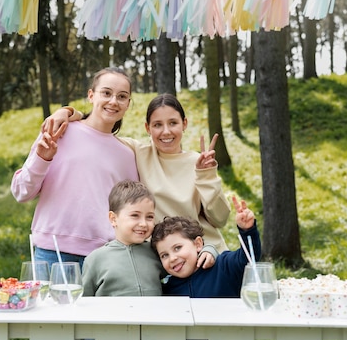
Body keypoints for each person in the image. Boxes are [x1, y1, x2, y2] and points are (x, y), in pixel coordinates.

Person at [47, 93, 232, 252]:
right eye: (157, 125)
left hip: (204, 251)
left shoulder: (198, 162)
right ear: (147, 128)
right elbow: (98, 131)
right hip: (166, 258)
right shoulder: (138, 152)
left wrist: (206, 175)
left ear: (184, 124)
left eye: (173, 123)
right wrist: (69, 112)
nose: (166, 131)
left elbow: (220, 219)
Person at [10, 67, 139, 267]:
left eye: (122, 96)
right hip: (52, 252)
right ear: (91, 95)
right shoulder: (60, 130)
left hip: (104, 258)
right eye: (106, 93)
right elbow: (21, 192)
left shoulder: (127, 154)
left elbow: (128, 210)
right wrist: (42, 159)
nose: (113, 101)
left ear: (128, 104)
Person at [150, 196, 261, 340]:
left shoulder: (223, 266)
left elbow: (249, 257)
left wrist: (247, 231)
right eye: (164, 255)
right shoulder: (169, 288)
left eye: (178, 248)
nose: (172, 258)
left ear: (198, 244)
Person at [82, 180, 164, 297]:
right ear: (113, 219)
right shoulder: (95, 259)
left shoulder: (157, 252)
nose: (143, 223)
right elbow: (85, 300)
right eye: (135, 215)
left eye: (149, 217)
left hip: (153, 315)